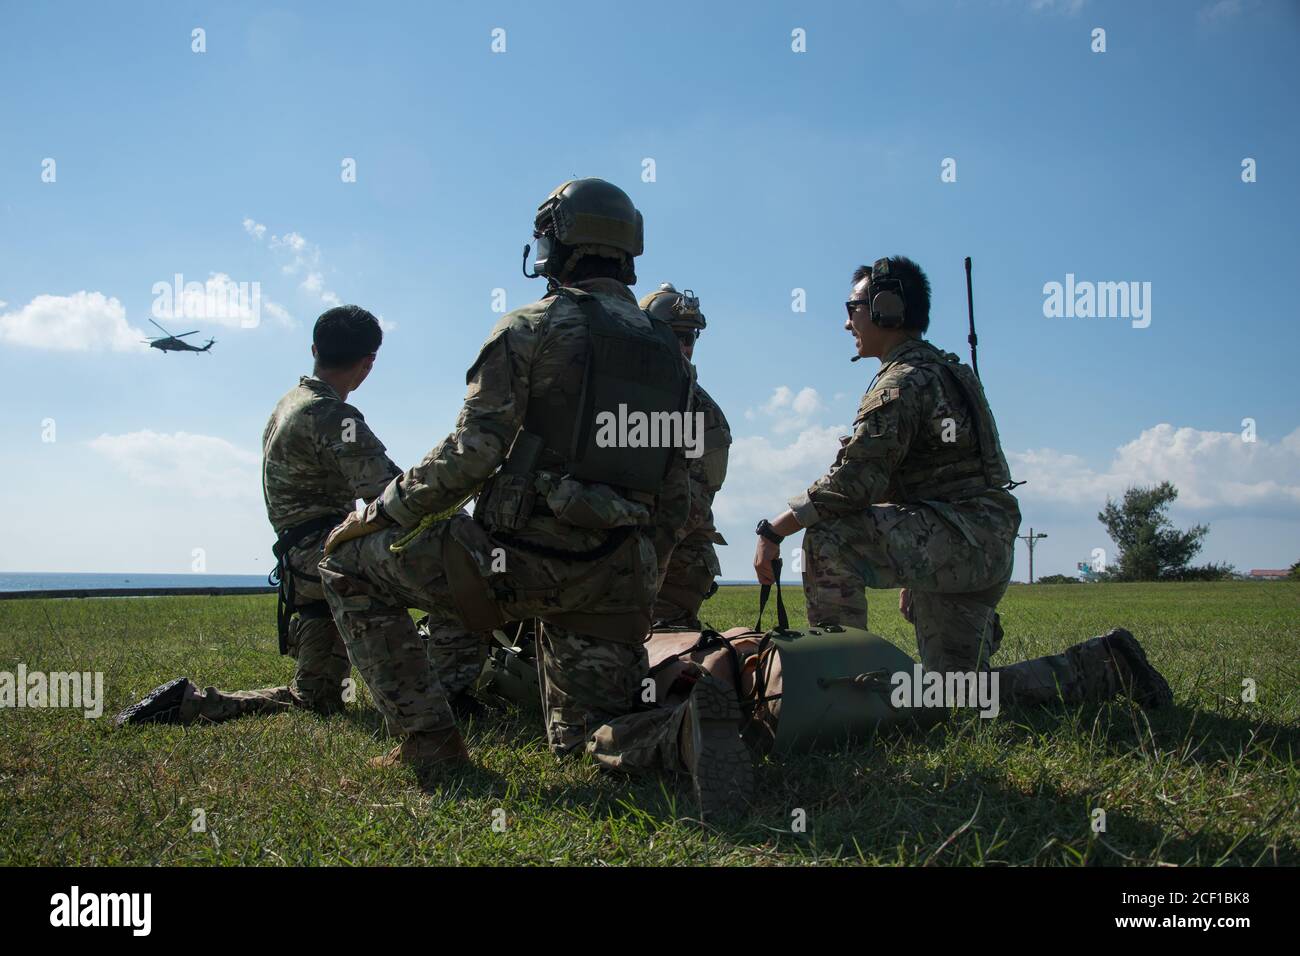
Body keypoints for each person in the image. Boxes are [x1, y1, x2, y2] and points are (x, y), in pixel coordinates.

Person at [318, 179, 754, 817]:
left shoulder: (532, 327)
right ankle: (676, 734)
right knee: (581, 740)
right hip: (615, 580)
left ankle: (431, 741)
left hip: (516, 565)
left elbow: (471, 454)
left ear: (558, 242)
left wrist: (382, 512)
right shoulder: (673, 357)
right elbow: (683, 491)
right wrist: (636, 576)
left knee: (343, 564)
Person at [752, 257, 1172, 713]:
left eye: (852, 306)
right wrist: (921, 563)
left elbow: (854, 483)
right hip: (978, 540)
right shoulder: (944, 371)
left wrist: (773, 530)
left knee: (829, 537)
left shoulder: (903, 380)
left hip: (962, 537)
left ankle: (843, 701)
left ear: (886, 309)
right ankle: (1108, 665)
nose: (845, 320)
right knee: (960, 695)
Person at [115, 306, 485, 727]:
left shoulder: (288, 405)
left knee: (316, 699)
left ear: (314, 349)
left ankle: (191, 703)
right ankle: (446, 696)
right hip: (332, 559)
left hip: (300, 566)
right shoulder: (331, 415)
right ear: (369, 362)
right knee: (464, 576)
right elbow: (392, 495)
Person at [641, 284, 731, 630]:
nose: (684, 347)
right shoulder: (613, 394)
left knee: (661, 655)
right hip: (612, 549)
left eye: (690, 337)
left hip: (674, 557)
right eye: (676, 335)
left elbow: (691, 506)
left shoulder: (703, 414)